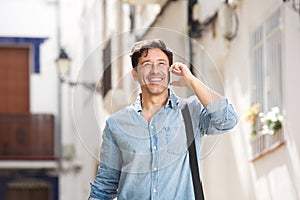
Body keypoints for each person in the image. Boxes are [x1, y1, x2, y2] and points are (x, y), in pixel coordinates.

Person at [89, 39, 238, 200]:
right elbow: (105, 185)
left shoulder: (191, 111)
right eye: (146, 64)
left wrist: (193, 82)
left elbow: (227, 119)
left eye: (161, 64)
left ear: (169, 71)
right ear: (135, 74)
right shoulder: (116, 124)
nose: (155, 70)